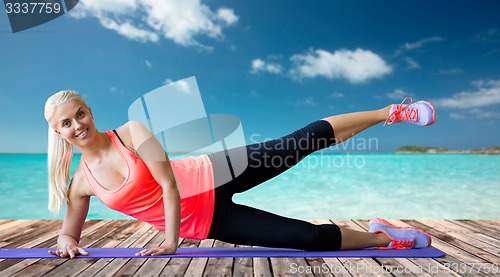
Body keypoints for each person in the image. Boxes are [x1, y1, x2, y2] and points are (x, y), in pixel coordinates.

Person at [44, 90, 435, 258]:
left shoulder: (129, 133)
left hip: (217, 172)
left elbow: (167, 185)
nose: (77, 125)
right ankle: (383, 238)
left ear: (89, 111)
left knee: (297, 143)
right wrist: (66, 242)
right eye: (66, 123)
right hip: (210, 221)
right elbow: (69, 231)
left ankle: (391, 112)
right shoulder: (80, 184)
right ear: (58, 132)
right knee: (306, 238)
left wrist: (169, 242)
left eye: (80, 114)